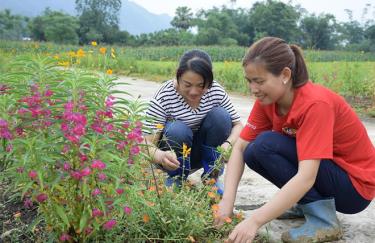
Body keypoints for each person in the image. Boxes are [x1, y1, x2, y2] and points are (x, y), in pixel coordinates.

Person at [214, 37, 375, 242]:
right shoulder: (267, 100)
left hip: (354, 188)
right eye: (249, 81)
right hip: (327, 173)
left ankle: (324, 222)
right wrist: (227, 203)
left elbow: (307, 176)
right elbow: (239, 149)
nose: (253, 89)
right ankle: (306, 204)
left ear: (285, 75)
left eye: (259, 81)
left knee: (266, 145)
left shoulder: (315, 104)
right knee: (254, 151)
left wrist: (254, 221)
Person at [143, 49, 243, 192]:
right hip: (174, 157)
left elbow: (238, 126)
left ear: (209, 80)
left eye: (201, 85)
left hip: (203, 151)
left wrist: (227, 145)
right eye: (187, 85)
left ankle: (211, 180)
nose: (194, 91)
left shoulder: (215, 91)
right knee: (177, 129)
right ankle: (176, 179)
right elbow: (145, 143)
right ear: (178, 76)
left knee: (221, 116)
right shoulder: (164, 96)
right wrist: (160, 156)